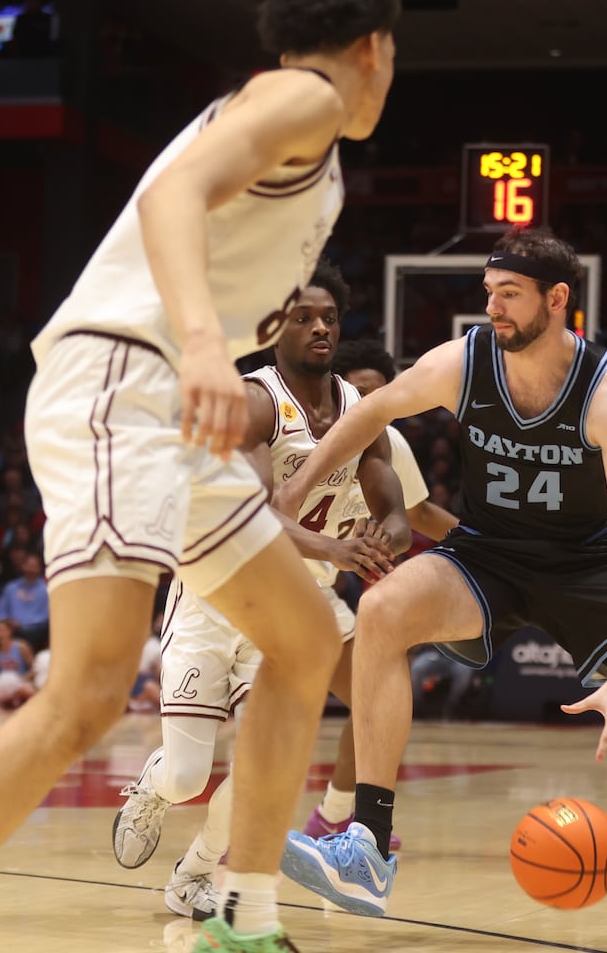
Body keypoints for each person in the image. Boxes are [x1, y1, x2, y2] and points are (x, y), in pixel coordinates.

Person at [0, 0, 401, 950]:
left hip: (176, 407)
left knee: (305, 641)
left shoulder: (312, 146)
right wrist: (212, 347)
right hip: (126, 382)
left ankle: (241, 919)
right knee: (87, 691)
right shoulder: (303, 96)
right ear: (373, 48)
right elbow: (172, 196)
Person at [276, 233, 607, 945]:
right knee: (381, 609)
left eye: (508, 294)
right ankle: (369, 847)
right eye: (488, 291)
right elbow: (369, 413)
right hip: (490, 555)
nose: (491, 307)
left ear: (557, 300)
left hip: (592, 570)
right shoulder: (463, 361)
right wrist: (289, 494)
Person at [109, 262, 413, 921]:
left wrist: (386, 534)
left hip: (291, 612)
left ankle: (193, 874)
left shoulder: (360, 410)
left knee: (260, 769)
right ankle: (153, 786)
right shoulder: (255, 400)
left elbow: (389, 493)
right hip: (220, 596)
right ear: (276, 326)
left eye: (329, 317)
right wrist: (336, 547)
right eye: (303, 316)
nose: (319, 327)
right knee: (190, 775)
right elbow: (251, 511)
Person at [332, 338, 461, 542]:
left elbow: (419, 514)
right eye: (361, 393)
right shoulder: (305, 438)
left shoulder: (391, 441)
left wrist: (487, 552)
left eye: (380, 397)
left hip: (322, 571)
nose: (371, 406)